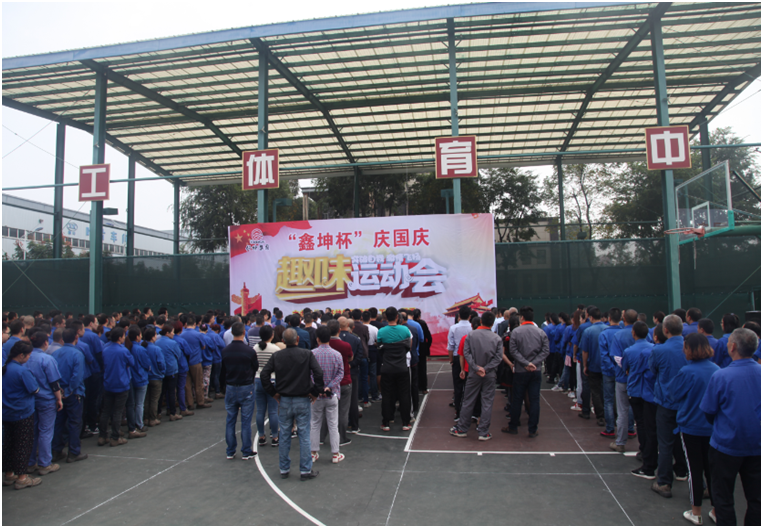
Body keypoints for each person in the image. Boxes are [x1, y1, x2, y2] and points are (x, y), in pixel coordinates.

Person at [700, 328, 760, 526]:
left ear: (732, 347)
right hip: (757, 445)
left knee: (723, 496)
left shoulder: (721, 376)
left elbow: (709, 410)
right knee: (756, 497)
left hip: (726, 445)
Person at [261, 328, 324, 481]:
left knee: (284, 435)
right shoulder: (306, 354)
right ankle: (305, 470)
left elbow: (264, 374)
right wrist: (315, 392)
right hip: (302, 399)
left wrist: (273, 392)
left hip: (285, 400)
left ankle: (284, 468)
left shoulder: (277, 355)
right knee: (304, 435)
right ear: (297, 340)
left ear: (283, 341)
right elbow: (319, 373)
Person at [671, 333, 719, 526]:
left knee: (694, 470)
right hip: (712, 428)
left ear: (689, 349)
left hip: (691, 426)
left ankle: (696, 511)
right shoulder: (717, 370)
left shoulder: (686, 372)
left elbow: (675, 394)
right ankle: (716, 510)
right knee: (712, 470)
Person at [649, 314, 689, 498]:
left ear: (665, 330)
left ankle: (664, 482)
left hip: (666, 401)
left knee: (665, 443)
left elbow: (653, 370)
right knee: (688, 441)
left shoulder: (659, 350)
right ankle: (683, 471)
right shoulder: (690, 347)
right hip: (687, 402)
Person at [450, 311, 503, 440]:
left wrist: (475, 367)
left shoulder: (471, 335)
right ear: (492, 324)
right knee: (487, 402)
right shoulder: (496, 338)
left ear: (481, 321)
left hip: (474, 373)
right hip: (489, 374)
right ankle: (483, 431)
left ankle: (462, 428)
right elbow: (498, 358)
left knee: (468, 400)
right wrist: (486, 368)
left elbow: (466, 353)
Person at [3, 341, 42, 490]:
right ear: (21, 355)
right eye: (28, 355)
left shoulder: (5, 368)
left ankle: (8, 474)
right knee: (23, 445)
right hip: (22, 413)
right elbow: (34, 389)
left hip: (6, 413)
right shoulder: (22, 371)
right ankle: (22, 477)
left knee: (8, 443)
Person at [506, 306, 549, 437]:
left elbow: (513, 351)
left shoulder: (516, 332)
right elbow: (545, 351)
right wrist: (534, 363)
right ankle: (533, 429)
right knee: (534, 399)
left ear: (522, 318)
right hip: (535, 370)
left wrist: (525, 363)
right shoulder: (540, 332)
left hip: (520, 370)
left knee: (517, 399)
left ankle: (513, 426)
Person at [25, 331, 64, 476]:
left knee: (32, 431)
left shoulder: (26, 358)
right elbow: (54, 383)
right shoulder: (47, 359)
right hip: (46, 400)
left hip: (30, 400)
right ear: (46, 343)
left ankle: (30, 463)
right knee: (46, 431)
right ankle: (44, 463)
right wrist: (59, 399)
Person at [622, 321, 657, 479]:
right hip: (650, 392)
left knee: (641, 423)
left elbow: (625, 368)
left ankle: (645, 451)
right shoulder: (653, 349)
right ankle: (648, 450)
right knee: (649, 424)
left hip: (636, 390)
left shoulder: (629, 351)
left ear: (633, 333)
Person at [221, 322, 259, 460]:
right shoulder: (249, 351)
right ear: (244, 332)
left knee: (230, 419)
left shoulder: (225, 351)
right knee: (246, 420)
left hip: (231, 386)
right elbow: (255, 367)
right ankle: (246, 450)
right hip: (246, 386)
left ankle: (230, 450)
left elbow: (223, 370)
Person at [310, 325, 346, 465]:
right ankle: (336, 454)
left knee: (315, 424)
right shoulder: (337, 355)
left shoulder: (312, 354)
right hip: (332, 395)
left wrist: (318, 387)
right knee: (333, 425)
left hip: (316, 396)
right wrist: (329, 386)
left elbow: (309, 374)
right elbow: (340, 374)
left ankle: (313, 453)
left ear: (317, 339)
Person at [51, 328, 87, 463]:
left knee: (58, 422)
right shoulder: (77, 354)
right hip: (73, 393)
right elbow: (77, 376)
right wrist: (69, 390)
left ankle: (56, 451)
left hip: (59, 393)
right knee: (74, 422)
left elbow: (52, 374)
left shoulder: (55, 353)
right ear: (76, 338)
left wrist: (59, 391)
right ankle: (73, 452)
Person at [377, 307, 412, 432]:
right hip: (402, 367)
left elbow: (379, 347)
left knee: (387, 395)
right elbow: (409, 346)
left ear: (386, 317)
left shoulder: (381, 331)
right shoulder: (405, 330)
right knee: (404, 395)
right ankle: (405, 422)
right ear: (398, 317)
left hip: (387, 368)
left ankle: (386, 422)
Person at [99, 327, 135, 447]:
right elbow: (131, 363)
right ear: (120, 338)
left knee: (106, 410)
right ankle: (115, 437)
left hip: (108, 383)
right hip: (121, 384)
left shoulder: (105, 349)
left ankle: (102, 436)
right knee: (117, 412)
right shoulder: (123, 351)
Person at [254, 325, 280, 448]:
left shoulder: (255, 348)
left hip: (258, 379)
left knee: (260, 410)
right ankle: (274, 437)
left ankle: (261, 436)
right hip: (272, 380)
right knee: (273, 411)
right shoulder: (275, 349)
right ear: (272, 335)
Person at [579, 307, 606, 425]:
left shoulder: (588, 331)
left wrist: (585, 365)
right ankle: (608, 414)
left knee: (594, 391)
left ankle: (599, 415)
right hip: (607, 366)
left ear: (591, 317)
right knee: (606, 390)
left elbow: (585, 351)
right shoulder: (607, 329)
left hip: (593, 365)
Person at [447, 306, 472, 418]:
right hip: (470, 358)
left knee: (458, 386)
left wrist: (451, 360)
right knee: (470, 385)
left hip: (457, 357)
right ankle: (470, 411)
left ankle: (458, 411)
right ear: (470, 316)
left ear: (459, 316)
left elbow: (450, 346)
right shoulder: (472, 327)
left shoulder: (454, 328)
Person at [338, 317, 362, 433]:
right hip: (351, 372)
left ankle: (339, 426)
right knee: (353, 399)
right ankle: (354, 425)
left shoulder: (333, 341)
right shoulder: (355, 339)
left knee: (337, 400)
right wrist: (351, 365)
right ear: (348, 325)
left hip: (336, 373)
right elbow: (360, 355)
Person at [125, 326, 150, 439]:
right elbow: (146, 364)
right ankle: (139, 423)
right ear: (137, 336)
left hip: (130, 379)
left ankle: (131, 423)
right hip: (141, 378)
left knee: (131, 404)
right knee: (140, 403)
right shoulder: (140, 349)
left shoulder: (127, 348)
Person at [155, 324, 183, 422]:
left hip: (160, 371)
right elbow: (178, 354)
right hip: (171, 370)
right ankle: (172, 412)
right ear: (167, 333)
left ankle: (158, 412)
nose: (173, 334)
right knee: (171, 392)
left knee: (161, 392)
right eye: (172, 332)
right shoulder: (173, 343)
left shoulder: (156, 342)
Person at [141, 326, 165, 427]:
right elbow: (161, 363)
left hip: (146, 377)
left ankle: (145, 418)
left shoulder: (142, 347)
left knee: (146, 398)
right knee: (154, 399)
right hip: (156, 377)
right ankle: (152, 418)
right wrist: (162, 372)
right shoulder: (156, 349)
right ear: (152, 337)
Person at [413, 309, 432, 394]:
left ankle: (415, 387)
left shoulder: (411, 324)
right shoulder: (422, 323)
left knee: (414, 368)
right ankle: (423, 388)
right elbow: (429, 337)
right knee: (422, 369)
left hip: (413, 348)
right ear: (419, 316)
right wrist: (427, 346)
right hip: (422, 349)